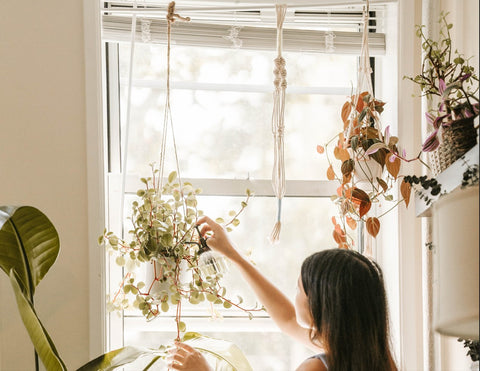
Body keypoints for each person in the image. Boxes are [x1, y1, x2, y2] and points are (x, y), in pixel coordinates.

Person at [168, 216, 397, 371]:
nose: (294, 293)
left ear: (320, 305)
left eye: (299, 288)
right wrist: (232, 254)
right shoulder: (371, 357)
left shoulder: (316, 368)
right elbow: (287, 318)